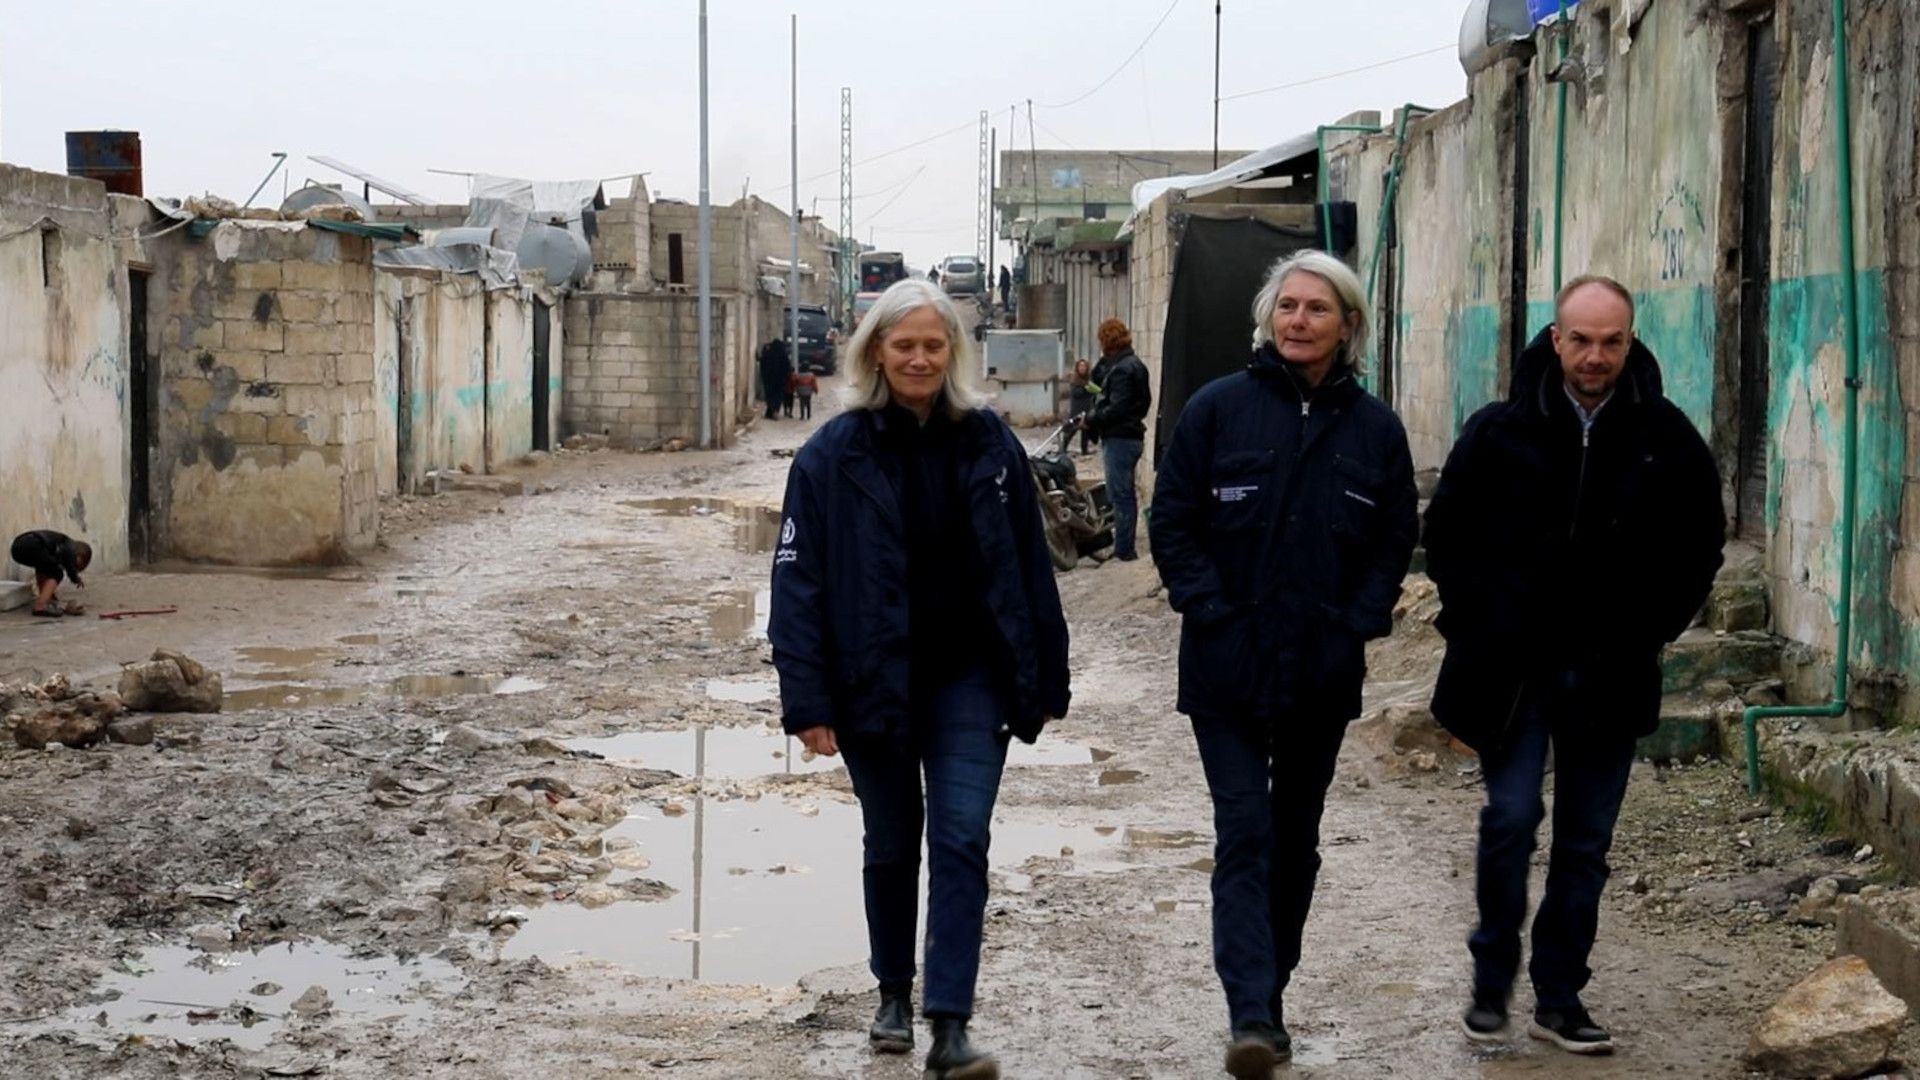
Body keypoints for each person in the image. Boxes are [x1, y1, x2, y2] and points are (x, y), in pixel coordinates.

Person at [769, 278, 1070, 1080]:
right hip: (872, 680)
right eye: (904, 345)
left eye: (934, 345)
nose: (920, 358)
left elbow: (1031, 567)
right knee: (894, 840)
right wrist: (808, 700)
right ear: (874, 351)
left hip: (970, 679)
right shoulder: (830, 458)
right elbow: (797, 584)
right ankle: (893, 994)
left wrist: (1046, 675)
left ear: (954, 354)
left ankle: (951, 1023)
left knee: (963, 836)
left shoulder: (992, 447)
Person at [1424, 275, 1724, 1056]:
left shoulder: (1665, 436)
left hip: (1612, 671)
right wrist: (1477, 624)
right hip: (1512, 674)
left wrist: (1654, 626)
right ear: (1554, 339)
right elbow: (1447, 536)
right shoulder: (1498, 432)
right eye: (1581, 340)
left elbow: (1702, 543)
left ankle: (1559, 998)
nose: (1595, 357)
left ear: (1631, 341)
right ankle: (1491, 984)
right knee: (1511, 818)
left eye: (1611, 341)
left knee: (1585, 842)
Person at [1148, 251, 1417, 1076]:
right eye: (1288, 307)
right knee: (1246, 832)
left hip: (1321, 671)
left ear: (1349, 326)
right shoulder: (1217, 411)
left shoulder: (1375, 430)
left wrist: (1356, 623)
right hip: (1227, 670)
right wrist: (1210, 607)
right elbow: (1174, 521)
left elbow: (1392, 539)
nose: (1299, 321)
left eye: (1318, 310)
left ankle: (1275, 990)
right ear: (1269, 319)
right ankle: (1251, 1014)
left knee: (1295, 840)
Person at [1082, 319, 1151, 561]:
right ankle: (1123, 545)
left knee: (1121, 494)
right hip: (1130, 435)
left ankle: (1124, 549)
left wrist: (1092, 419)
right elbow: (1141, 403)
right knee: (1123, 492)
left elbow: (1116, 408)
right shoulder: (1135, 365)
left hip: (1120, 438)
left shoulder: (1122, 369)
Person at [9, 529, 91, 617]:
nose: (76, 567)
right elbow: (69, 565)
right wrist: (75, 578)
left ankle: (45, 596)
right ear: (80, 555)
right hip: (33, 544)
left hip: (18, 546)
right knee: (57, 573)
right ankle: (41, 606)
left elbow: (48, 565)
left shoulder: (60, 544)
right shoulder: (70, 545)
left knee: (43, 568)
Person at [1067, 358, 1098, 455]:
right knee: (1072, 429)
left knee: (1086, 430)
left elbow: (1094, 392)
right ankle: (1063, 447)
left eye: (1084, 366)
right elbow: (1076, 393)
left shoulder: (1089, 379)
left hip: (1087, 408)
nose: (1082, 368)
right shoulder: (1075, 380)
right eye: (1080, 366)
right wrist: (1086, 389)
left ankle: (1084, 450)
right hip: (1077, 409)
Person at [758, 336, 793, 421]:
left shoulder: (768, 354)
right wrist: (786, 378)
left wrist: (764, 376)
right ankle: (774, 412)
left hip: (769, 380)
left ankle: (770, 412)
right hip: (780, 381)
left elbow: (762, 364)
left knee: (770, 396)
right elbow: (787, 368)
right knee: (778, 397)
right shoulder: (784, 355)